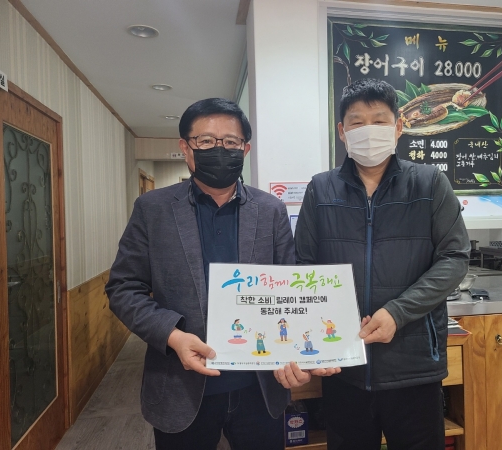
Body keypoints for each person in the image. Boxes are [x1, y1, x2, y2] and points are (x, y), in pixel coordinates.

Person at [106, 98, 334, 450]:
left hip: (260, 387)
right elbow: (123, 288)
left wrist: (301, 352)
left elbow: (291, 288)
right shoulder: (153, 209)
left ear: (245, 149)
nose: (220, 149)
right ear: (186, 148)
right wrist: (172, 335)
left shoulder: (270, 210)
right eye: (206, 141)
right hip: (181, 386)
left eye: (230, 142)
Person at [295, 78, 470, 450]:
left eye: (379, 120)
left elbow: (454, 258)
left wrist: (397, 312)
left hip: (415, 367)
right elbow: (304, 267)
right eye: (357, 122)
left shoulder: (429, 184)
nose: (368, 130)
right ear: (342, 132)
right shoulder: (320, 189)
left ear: (399, 126)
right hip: (343, 367)